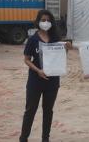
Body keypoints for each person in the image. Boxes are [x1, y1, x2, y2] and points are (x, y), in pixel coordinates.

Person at [19, 9, 69, 142]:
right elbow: (26, 59)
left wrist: (66, 48)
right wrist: (38, 71)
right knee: (30, 111)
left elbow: (61, 57)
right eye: (43, 20)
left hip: (52, 82)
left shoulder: (55, 39)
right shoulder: (33, 39)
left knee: (48, 111)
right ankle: (23, 138)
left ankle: (45, 138)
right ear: (38, 22)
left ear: (52, 22)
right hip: (35, 81)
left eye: (48, 20)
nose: (46, 22)